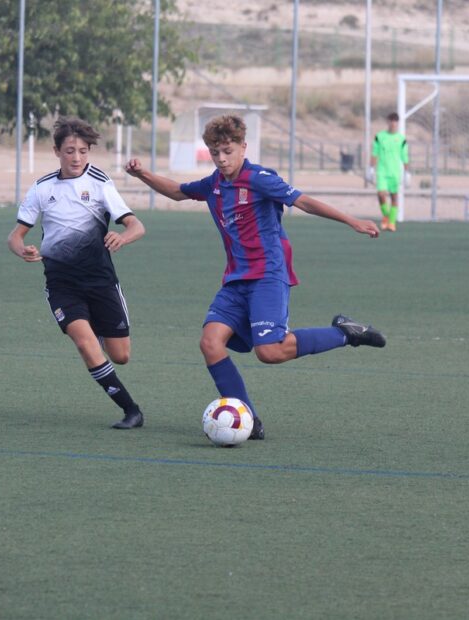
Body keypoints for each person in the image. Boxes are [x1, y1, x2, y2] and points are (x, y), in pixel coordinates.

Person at [126, 114, 385, 440]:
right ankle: (247, 418)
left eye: (227, 151)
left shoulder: (260, 178)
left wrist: (353, 221)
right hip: (236, 280)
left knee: (270, 352)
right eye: (215, 153)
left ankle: (346, 333)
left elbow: (304, 201)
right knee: (210, 343)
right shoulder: (214, 183)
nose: (221, 159)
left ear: (243, 147)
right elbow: (178, 192)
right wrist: (143, 174)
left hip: (267, 275)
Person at [8, 117, 147, 429]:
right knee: (85, 344)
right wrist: (22, 250)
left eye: (83, 151)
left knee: (121, 355)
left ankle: (95, 326)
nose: (76, 158)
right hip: (62, 284)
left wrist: (122, 237)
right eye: (70, 151)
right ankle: (131, 410)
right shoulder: (42, 188)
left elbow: (136, 225)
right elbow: (15, 236)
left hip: (100, 280)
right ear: (57, 151)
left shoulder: (100, 182)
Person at [369, 112, 409, 232]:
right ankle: (386, 216)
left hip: (395, 173)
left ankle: (391, 223)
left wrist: (407, 173)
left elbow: (405, 156)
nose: (393, 123)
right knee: (381, 194)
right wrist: (371, 168)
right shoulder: (380, 136)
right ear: (388, 122)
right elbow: (374, 153)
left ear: (397, 123)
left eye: (395, 121)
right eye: (391, 121)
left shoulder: (401, 139)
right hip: (382, 171)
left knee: (394, 197)